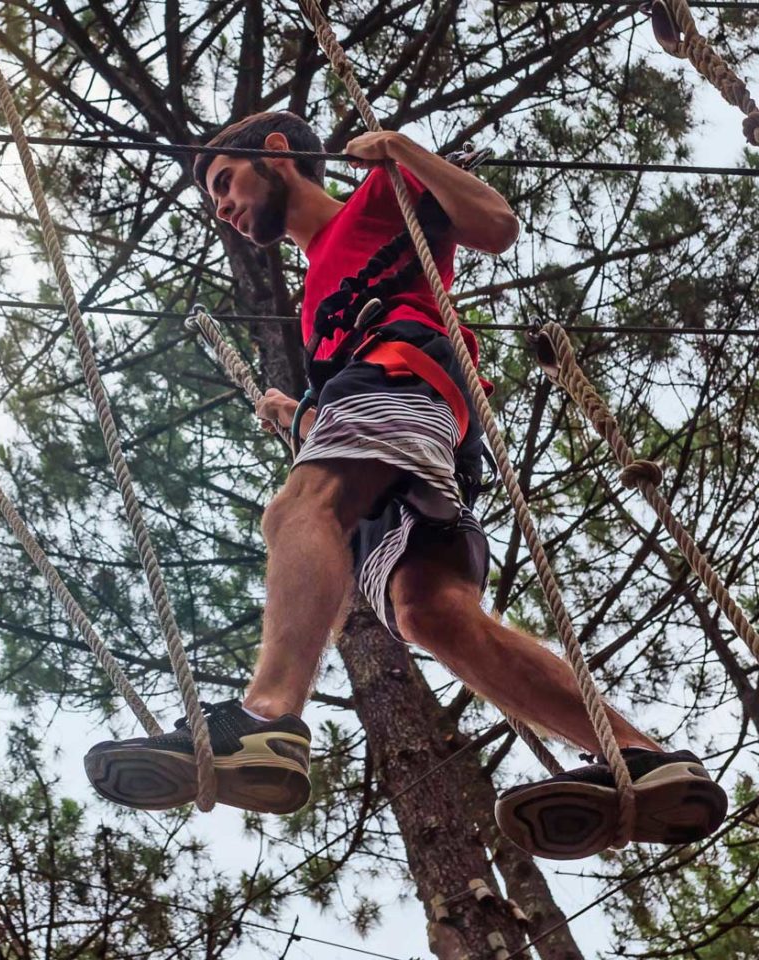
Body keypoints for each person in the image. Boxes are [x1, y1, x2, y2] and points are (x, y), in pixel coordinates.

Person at [84, 111, 727, 859]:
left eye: (225, 181)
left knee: (302, 507)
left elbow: (492, 225)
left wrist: (400, 150)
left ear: (278, 154)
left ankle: (267, 719)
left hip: (402, 377)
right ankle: (642, 756)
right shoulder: (318, 280)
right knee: (429, 612)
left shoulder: (376, 198)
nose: (222, 206)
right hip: (417, 415)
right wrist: (304, 416)